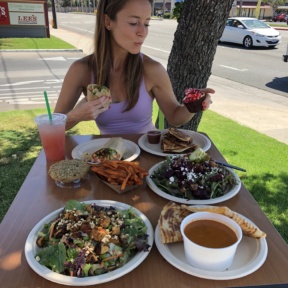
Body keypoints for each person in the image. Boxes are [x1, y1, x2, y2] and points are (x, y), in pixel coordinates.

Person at [54, 0, 215, 134]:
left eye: (146, 24)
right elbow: (50, 129)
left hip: (147, 159)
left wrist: (194, 105)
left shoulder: (152, 70)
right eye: (133, 23)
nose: (142, 32)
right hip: (107, 162)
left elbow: (174, 117)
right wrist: (76, 116)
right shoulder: (81, 70)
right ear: (108, 21)